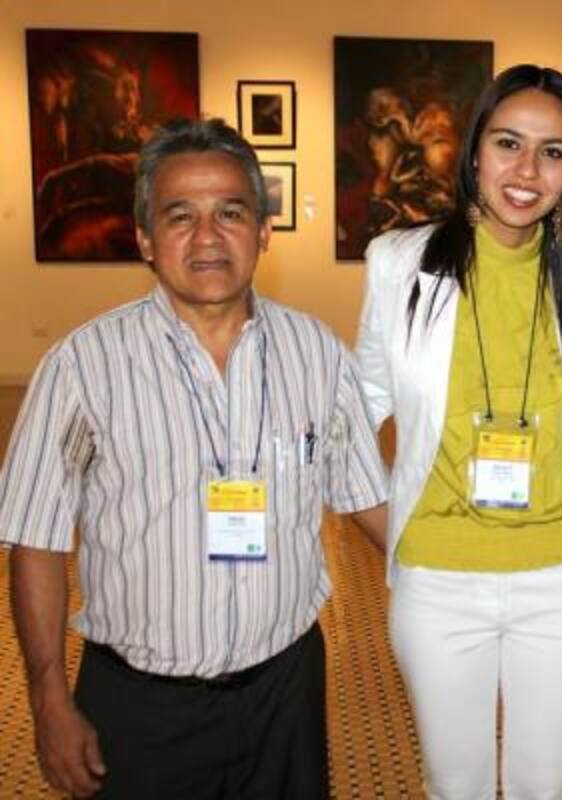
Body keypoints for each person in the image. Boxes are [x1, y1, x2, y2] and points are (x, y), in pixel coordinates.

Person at [0, 118, 390, 799]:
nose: (208, 237)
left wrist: (469, 569)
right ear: (146, 239)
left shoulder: (318, 355)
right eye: (180, 216)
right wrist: (48, 700)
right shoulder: (82, 367)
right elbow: (34, 540)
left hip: (285, 693)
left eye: (230, 213)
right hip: (141, 708)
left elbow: (365, 497)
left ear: (263, 232)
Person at [355, 64, 562, 800]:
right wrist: (386, 519)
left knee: (548, 785)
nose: (527, 170)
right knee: (457, 785)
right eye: (509, 143)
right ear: (474, 152)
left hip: (558, 574)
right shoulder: (397, 264)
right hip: (438, 575)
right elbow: (363, 398)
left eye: (554, 152)